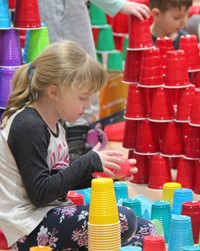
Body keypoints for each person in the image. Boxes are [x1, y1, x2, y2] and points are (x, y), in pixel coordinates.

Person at [0, 40, 155, 250]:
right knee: (123, 220)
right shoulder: (28, 124)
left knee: (147, 231)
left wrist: (101, 173)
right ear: (53, 92)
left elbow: (60, 177)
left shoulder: (56, 120)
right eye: (83, 97)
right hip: (24, 227)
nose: (88, 105)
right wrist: (89, 161)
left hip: (47, 215)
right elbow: (40, 193)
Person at [38, 0, 151, 161]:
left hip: (66, 9)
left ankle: (76, 136)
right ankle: (73, 140)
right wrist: (118, 5)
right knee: (74, 73)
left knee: (80, 72)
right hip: (61, 9)